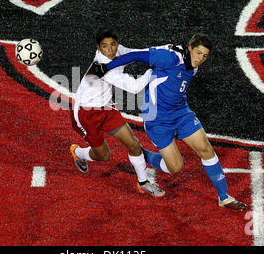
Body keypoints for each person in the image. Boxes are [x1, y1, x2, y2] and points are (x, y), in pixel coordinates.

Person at [91, 33, 247, 211]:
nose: (200, 59)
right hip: (157, 119)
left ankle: (224, 197)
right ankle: (139, 152)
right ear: (189, 48)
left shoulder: (192, 65)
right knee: (175, 167)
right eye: (198, 53)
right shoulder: (170, 58)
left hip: (181, 114)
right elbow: (135, 56)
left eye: (205, 56)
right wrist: (106, 68)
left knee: (205, 149)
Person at [70, 26, 166, 198]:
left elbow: (136, 53)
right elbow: (135, 87)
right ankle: (77, 152)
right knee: (103, 155)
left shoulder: (118, 51)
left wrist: (166, 50)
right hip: (86, 114)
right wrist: (154, 70)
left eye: (113, 44)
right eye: (105, 46)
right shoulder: (104, 67)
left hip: (106, 107)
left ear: (117, 43)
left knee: (134, 144)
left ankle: (143, 183)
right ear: (98, 48)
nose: (111, 50)